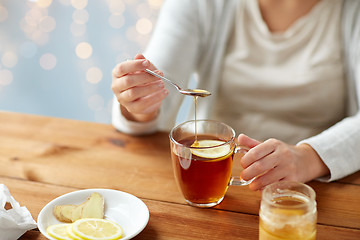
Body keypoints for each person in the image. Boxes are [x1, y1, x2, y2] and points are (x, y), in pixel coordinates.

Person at [111, 0, 360, 191]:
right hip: (214, 179)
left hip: (315, 189)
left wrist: (308, 158)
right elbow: (156, 95)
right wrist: (139, 102)